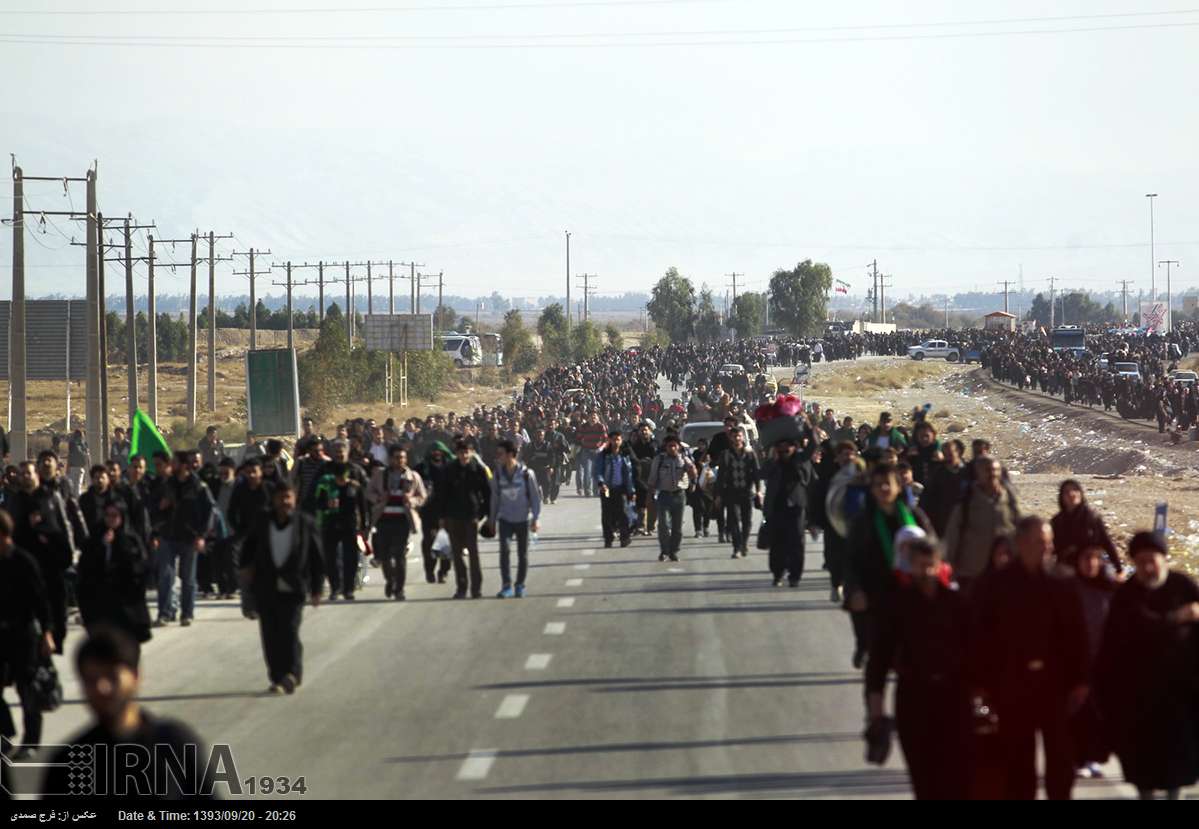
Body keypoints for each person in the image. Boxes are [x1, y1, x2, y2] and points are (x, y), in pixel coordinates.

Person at [969, 515, 1090, 800]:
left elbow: (1079, 636)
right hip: (1012, 686)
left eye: (1049, 542)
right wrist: (981, 684)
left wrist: (1082, 680)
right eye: (1039, 542)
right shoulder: (995, 585)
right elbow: (979, 639)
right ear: (1020, 543)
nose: (1046, 548)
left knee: (1061, 759)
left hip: (1056, 687)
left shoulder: (1064, 581)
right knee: (1018, 762)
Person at [40, 627, 217, 799]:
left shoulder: (175, 745)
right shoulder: (68, 763)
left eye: (112, 676)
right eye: (92, 679)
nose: (102, 688)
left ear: (135, 676)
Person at [1095, 531, 1199, 800]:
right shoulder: (1127, 595)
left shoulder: (1183, 586)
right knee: (1143, 766)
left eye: (1152, 560)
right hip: (1138, 699)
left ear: (1164, 559)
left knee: (1178, 763)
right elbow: (1132, 631)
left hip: (1181, 695)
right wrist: (1177, 617)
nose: (1147, 568)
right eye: (1140, 562)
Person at [866, 537, 970, 799]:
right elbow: (877, 663)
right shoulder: (896, 606)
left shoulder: (957, 604)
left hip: (954, 701)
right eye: (919, 565)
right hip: (913, 700)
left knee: (957, 778)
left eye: (930, 565)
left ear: (940, 566)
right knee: (924, 780)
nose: (925, 572)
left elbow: (977, 655)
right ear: (909, 566)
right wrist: (876, 714)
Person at [845, 464, 934, 668]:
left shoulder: (915, 517)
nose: (883, 488)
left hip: (910, 590)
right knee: (878, 653)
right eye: (878, 485)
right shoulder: (862, 521)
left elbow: (933, 549)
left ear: (898, 487)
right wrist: (855, 590)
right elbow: (851, 559)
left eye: (888, 484)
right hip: (875, 592)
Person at [240, 483, 324, 694]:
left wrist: (316, 588)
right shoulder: (262, 521)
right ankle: (277, 677)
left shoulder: (305, 523)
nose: (285, 502)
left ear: (294, 499)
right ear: (274, 499)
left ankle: (292, 674)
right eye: (281, 497)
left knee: (289, 631)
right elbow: (248, 548)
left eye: (288, 497)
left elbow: (316, 557)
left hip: (294, 586)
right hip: (266, 586)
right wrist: (245, 569)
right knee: (270, 634)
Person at [0, 509, 54, 762]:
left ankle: (31, 742)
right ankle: (5, 734)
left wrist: (47, 633)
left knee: (28, 690)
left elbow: (42, 601)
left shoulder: (23, 561)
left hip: (23, 635)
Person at [76, 502, 152, 648]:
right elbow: (86, 566)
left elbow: (139, 567)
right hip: (101, 601)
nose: (110, 519)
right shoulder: (96, 536)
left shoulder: (131, 539)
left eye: (114, 516)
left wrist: (121, 547)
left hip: (126, 603)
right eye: (107, 515)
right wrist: (102, 545)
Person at [155, 450, 215, 628]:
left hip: (190, 538)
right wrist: (161, 508)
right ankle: (164, 614)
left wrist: (202, 536)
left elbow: (209, 511)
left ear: (183, 465)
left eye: (174, 462)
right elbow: (154, 508)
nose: (170, 465)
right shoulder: (167, 484)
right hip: (168, 536)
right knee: (165, 577)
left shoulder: (198, 486)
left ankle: (186, 614)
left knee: (188, 579)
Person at [943, 456, 1020, 592]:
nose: (993, 474)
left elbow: (1019, 531)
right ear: (978, 473)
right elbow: (952, 537)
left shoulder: (1009, 500)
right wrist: (950, 568)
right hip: (972, 573)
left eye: (996, 470)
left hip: (1003, 573)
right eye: (987, 470)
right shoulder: (966, 503)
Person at [367, 447, 427, 601]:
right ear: (390, 459)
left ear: (406, 459)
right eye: (396, 457)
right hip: (383, 520)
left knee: (399, 556)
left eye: (402, 457)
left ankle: (399, 589)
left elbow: (422, 496)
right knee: (385, 556)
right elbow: (369, 492)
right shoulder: (380, 475)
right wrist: (380, 499)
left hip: (402, 521)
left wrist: (411, 500)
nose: (399, 460)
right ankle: (390, 581)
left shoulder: (413, 476)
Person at [439, 438, 492, 599]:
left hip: (472, 517)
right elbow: (442, 495)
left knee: (473, 554)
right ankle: (461, 588)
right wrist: (442, 516)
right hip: (453, 517)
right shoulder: (449, 470)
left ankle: (476, 589)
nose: (463, 455)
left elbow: (487, 494)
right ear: (456, 454)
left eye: (466, 452)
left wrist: (485, 515)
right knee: (457, 555)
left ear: (471, 453)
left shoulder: (478, 470)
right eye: (460, 452)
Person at [489, 439, 542, 598]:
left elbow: (535, 498)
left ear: (511, 454)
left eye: (500, 454)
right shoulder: (497, 475)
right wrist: (492, 520)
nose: (498, 457)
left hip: (523, 519)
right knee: (504, 551)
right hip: (505, 519)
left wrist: (536, 519)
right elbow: (494, 499)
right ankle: (506, 586)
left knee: (522, 554)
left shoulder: (527, 474)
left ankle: (520, 585)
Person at [761, 436, 814, 588]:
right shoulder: (773, 463)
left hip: (796, 508)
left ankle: (795, 576)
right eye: (781, 447)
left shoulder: (800, 460)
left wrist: (808, 427)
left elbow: (813, 444)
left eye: (787, 447)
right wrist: (773, 458)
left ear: (794, 448)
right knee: (777, 543)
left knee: (797, 542)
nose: (784, 450)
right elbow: (762, 474)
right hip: (776, 508)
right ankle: (777, 574)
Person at [1050, 479, 1120, 570]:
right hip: (1066, 569)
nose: (1072, 494)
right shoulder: (1057, 521)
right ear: (1061, 497)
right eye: (1067, 492)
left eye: (1075, 490)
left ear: (1081, 494)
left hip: (1092, 567)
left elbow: (1106, 543)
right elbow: (1050, 549)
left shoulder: (1092, 518)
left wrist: (1119, 569)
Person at [648, 434, 696, 563]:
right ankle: (664, 550)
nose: (672, 448)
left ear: (679, 446)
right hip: (663, 495)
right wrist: (650, 495)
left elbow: (693, 475)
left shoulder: (684, 459)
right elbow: (652, 479)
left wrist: (691, 471)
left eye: (675, 445)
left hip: (679, 495)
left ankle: (674, 551)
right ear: (666, 447)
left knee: (677, 527)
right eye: (670, 446)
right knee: (663, 525)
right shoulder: (659, 460)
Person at [715, 427, 761, 560]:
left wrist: (758, 491)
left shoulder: (750, 454)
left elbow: (756, 473)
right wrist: (718, 495)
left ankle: (744, 543)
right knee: (733, 520)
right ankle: (736, 548)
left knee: (747, 521)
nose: (737, 439)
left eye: (739, 436)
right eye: (734, 436)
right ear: (731, 438)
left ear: (743, 437)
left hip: (746, 492)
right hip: (731, 492)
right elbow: (721, 475)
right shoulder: (726, 454)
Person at [416, 441, 453, 584]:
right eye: (434, 451)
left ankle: (443, 571)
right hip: (428, 512)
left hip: (447, 511)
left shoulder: (451, 467)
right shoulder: (421, 468)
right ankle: (429, 570)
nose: (437, 454)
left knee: (445, 543)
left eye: (439, 451)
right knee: (429, 542)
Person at [594, 428, 635, 549]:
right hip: (606, 489)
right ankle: (608, 539)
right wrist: (601, 483)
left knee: (623, 514)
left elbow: (629, 475)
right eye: (613, 439)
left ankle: (624, 538)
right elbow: (598, 471)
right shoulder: (604, 455)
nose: (616, 442)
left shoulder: (625, 455)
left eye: (618, 439)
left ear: (621, 440)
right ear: (609, 440)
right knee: (607, 515)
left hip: (621, 489)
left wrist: (631, 490)